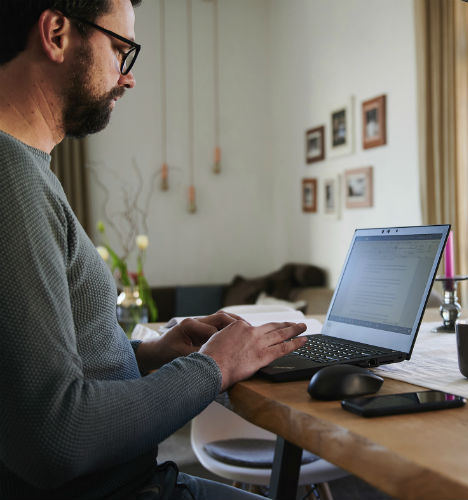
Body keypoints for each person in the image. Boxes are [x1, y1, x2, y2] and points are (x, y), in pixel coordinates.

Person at [0, 1, 307, 498]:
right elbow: (55, 437)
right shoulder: (10, 180)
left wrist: (144, 355)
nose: (128, 78)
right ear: (56, 33)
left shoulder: (27, 169)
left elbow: (42, 367)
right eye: (120, 50)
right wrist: (214, 367)